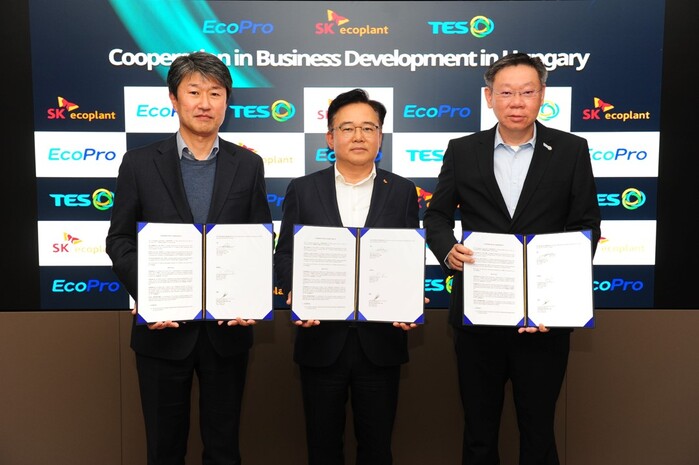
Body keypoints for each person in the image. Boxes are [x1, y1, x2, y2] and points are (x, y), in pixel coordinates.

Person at [423, 52, 601, 465]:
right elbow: (436, 215)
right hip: (478, 318)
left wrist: (557, 299)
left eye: (527, 92)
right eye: (506, 93)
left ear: (542, 96)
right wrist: (447, 249)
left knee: (538, 433)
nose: (516, 102)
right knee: (479, 433)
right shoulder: (462, 150)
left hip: (544, 322)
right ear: (489, 98)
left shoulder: (571, 150)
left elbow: (585, 225)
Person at [106, 51, 272, 465]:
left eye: (215, 93)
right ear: (174, 99)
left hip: (226, 332)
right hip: (162, 332)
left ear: (227, 102)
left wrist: (250, 297)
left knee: (224, 448)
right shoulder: (139, 163)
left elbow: (259, 239)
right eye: (194, 92)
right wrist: (148, 294)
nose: (204, 103)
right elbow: (120, 239)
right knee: (164, 448)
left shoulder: (248, 165)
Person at [273, 88, 420, 465]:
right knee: (323, 448)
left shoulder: (402, 191)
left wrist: (410, 297)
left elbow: (408, 256)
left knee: (378, 448)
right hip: (320, 340)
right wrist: (294, 291)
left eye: (368, 128)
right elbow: (284, 253)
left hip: (381, 343)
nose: (359, 136)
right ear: (330, 137)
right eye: (348, 128)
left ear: (380, 137)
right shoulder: (303, 189)